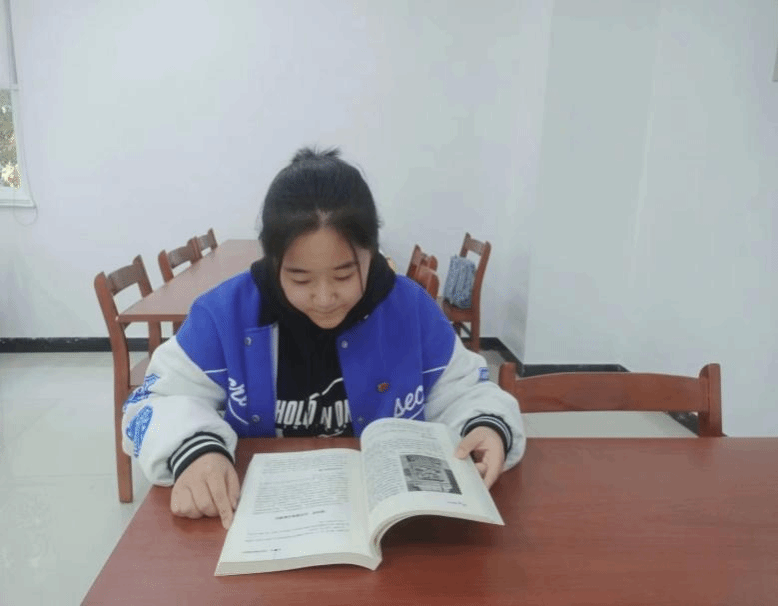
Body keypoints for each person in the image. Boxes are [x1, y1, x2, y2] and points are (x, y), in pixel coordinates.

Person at [122, 147, 525, 529]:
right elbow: (152, 401)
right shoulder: (225, 315)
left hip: (395, 527)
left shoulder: (410, 310)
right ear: (273, 261)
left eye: (344, 275)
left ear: (372, 252)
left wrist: (486, 425)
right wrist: (196, 450)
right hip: (260, 522)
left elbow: (466, 390)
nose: (325, 297)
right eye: (300, 279)